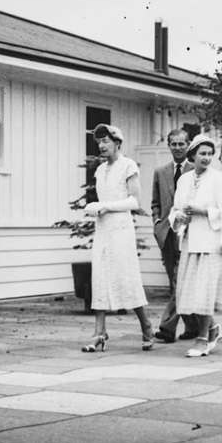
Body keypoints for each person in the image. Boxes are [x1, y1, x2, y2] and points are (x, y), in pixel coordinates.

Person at [81, 124, 152, 352]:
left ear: (117, 143)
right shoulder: (100, 170)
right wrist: (94, 208)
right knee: (100, 277)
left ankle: (146, 326)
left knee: (126, 277)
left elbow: (134, 202)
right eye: (99, 142)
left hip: (121, 229)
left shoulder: (128, 166)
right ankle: (99, 332)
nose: (102, 146)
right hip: (103, 229)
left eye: (106, 141)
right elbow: (100, 200)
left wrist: (105, 206)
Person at [169, 134, 222, 357]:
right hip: (190, 242)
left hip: (211, 243)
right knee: (192, 292)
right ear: (192, 156)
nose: (206, 158)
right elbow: (175, 210)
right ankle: (214, 328)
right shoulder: (184, 180)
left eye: (209, 154)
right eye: (202, 154)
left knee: (204, 293)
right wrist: (180, 218)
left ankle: (203, 338)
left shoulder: (219, 179)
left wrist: (203, 211)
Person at [152, 129, 196, 344]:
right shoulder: (160, 172)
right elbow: (155, 203)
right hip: (167, 235)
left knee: (181, 280)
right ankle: (194, 326)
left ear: (188, 145)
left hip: (189, 233)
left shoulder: (197, 170)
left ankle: (167, 327)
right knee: (175, 281)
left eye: (181, 144)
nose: (178, 148)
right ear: (169, 146)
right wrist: (157, 223)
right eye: (174, 144)